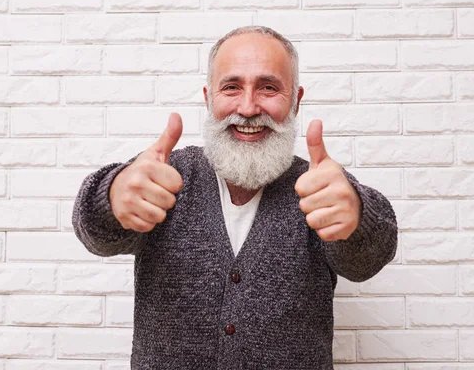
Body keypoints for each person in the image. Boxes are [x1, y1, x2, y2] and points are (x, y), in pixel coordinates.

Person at [72, 26, 398, 369]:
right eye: (231, 87)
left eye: (268, 88)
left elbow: (369, 259)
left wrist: (359, 216)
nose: (247, 107)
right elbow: (94, 234)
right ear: (208, 99)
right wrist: (110, 197)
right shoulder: (164, 176)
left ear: (296, 101)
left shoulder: (319, 187)